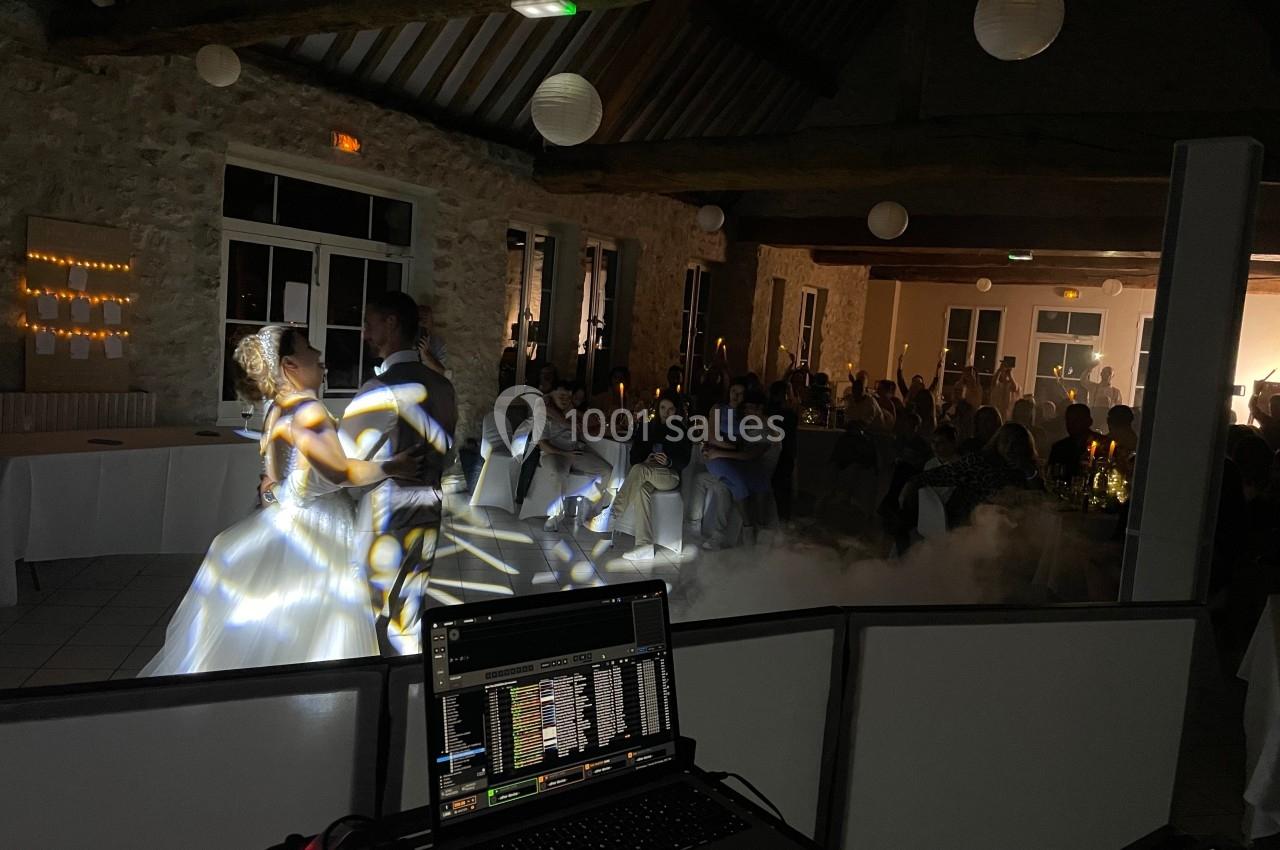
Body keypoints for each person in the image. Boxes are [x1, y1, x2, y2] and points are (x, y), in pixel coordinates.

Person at [143, 326, 421, 676]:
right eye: (309, 348)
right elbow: (337, 474)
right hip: (317, 526)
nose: (319, 354)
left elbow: (273, 480)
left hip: (284, 516)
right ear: (290, 365)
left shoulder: (277, 408)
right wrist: (392, 466)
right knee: (317, 622)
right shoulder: (309, 411)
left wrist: (274, 490)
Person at [343, 291, 457, 655]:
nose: (364, 333)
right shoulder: (443, 386)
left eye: (369, 323)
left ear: (391, 324)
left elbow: (343, 460)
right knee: (409, 610)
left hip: (386, 512)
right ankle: (406, 683)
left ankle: (365, 687)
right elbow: (449, 456)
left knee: (366, 609)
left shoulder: (381, 388)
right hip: (431, 505)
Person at [903, 422, 1042, 527]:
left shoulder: (1026, 468)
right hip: (974, 529)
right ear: (997, 442)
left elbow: (1041, 498)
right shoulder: (978, 462)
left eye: (1016, 444)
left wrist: (1028, 471)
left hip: (1017, 526)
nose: (1010, 448)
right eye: (1005, 442)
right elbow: (934, 476)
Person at [611, 395, 692, 560]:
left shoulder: (681, 431)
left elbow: (684, 460)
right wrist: (645, 458)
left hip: (670, 476)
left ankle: (613, 512)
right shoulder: (646, 428)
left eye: (670, 409)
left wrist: (669, 461)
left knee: (641, 470)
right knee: (641, 487)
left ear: (676, 411)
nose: (666, 413)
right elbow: (634, 457)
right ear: (657, 408)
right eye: (663, 408)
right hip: (648, 472)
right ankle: (644, 545)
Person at [537, 380, 615, 532]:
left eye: (568, 396)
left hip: (574, 452)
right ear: (552, 396)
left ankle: (590, 504)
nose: (565, 399)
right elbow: (543, 444)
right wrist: (564, 453)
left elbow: (592, 423)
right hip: (553, 453)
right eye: (561, 395)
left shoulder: (572, 412)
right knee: (560, 472)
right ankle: (555, 515)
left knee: (607, 471)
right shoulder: (544, 413)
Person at [1047, 403, 1107, 481]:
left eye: (1077, 420)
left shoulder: (1103, 444)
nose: (1071, 424)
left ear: (1089, 422)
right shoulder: (1059, 447)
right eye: (1069, 420)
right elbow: (1053, 476)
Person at [767, 379, 800, 521]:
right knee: (782, 487)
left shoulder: (768, 409)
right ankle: (781, 518)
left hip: (774, 452)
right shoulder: (786, 413)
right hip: (783, 453)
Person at [415, 302, 448, 376]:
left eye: (426, 320)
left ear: (432, 323)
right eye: (420, 319)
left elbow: (442, 373)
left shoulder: (438, 343)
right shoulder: (406, 340)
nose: (422, 323)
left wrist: (426, 355)